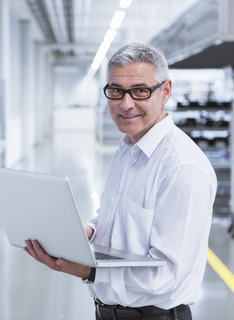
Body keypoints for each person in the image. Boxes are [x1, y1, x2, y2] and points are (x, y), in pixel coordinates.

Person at [24, 41, 217, 320]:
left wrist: (87, 270)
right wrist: (88, 230)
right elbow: (113, 218)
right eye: (116, 91)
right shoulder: (127, 150)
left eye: (140, 91)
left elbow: (168, 275)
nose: (126, 104)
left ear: (165, 92)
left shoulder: (181, 167)